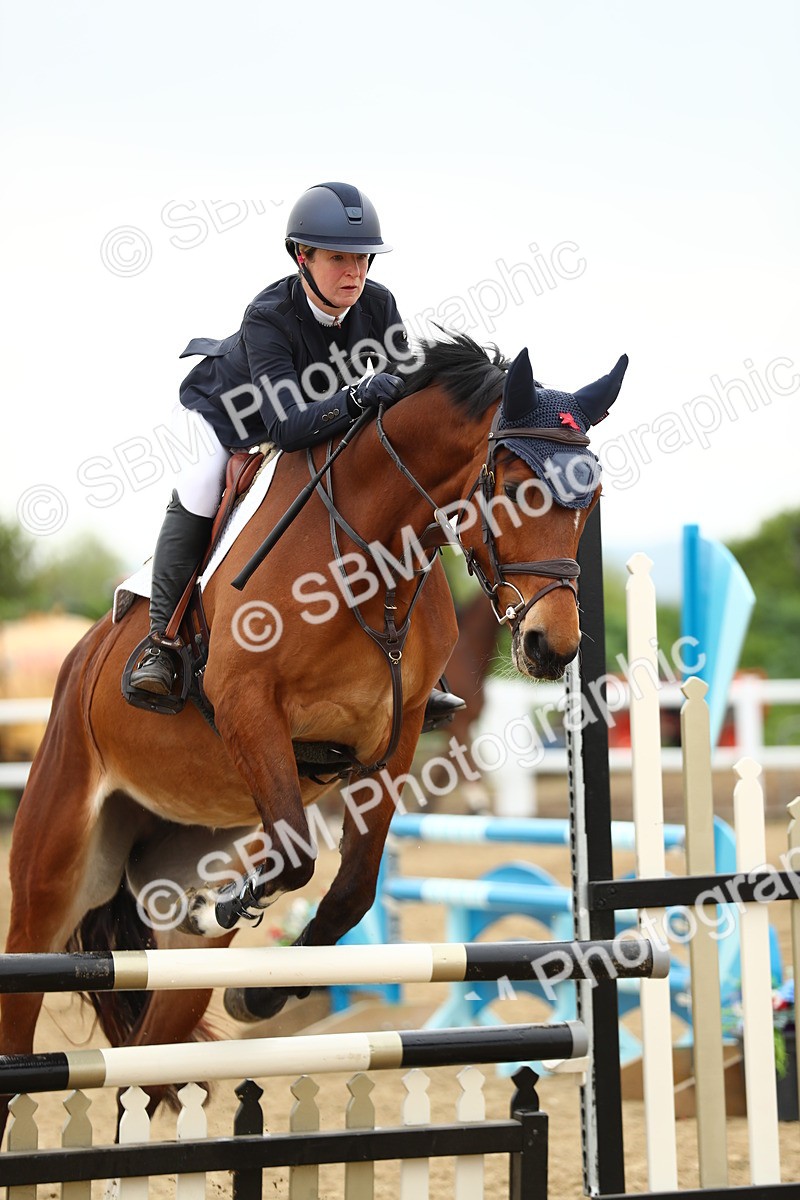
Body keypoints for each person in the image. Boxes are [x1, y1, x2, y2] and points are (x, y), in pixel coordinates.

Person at [129, 181, 464, 728]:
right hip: (229, 418)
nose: (354, 273)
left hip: (318, 416)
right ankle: (161, 642)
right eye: (338, 259)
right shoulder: (267, 315)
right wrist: (357, 395)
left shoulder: (377, 305)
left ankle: (418, 667)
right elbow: (284, 428)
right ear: (301, 257)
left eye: (362, 259)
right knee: (200, 486)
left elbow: (409, 387)